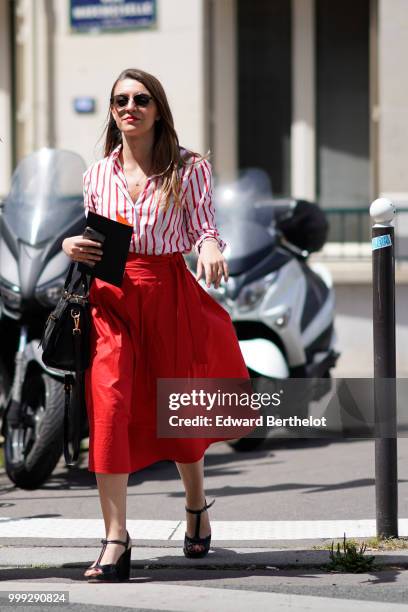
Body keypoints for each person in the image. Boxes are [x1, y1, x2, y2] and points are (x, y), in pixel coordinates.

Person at [62, 68, 249, 582]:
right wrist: (69, 246)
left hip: (169, 292)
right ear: (112, 109)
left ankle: (195, 505)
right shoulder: (97, 174)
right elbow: (90, 237)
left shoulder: (188, 168)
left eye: (141, 99)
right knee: (111, 404)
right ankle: (116, 540)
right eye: (120, 99)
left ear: (158, 108)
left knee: (179, 409)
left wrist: (209, 245)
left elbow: (204, 224)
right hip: (112, 298)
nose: (130, 107)